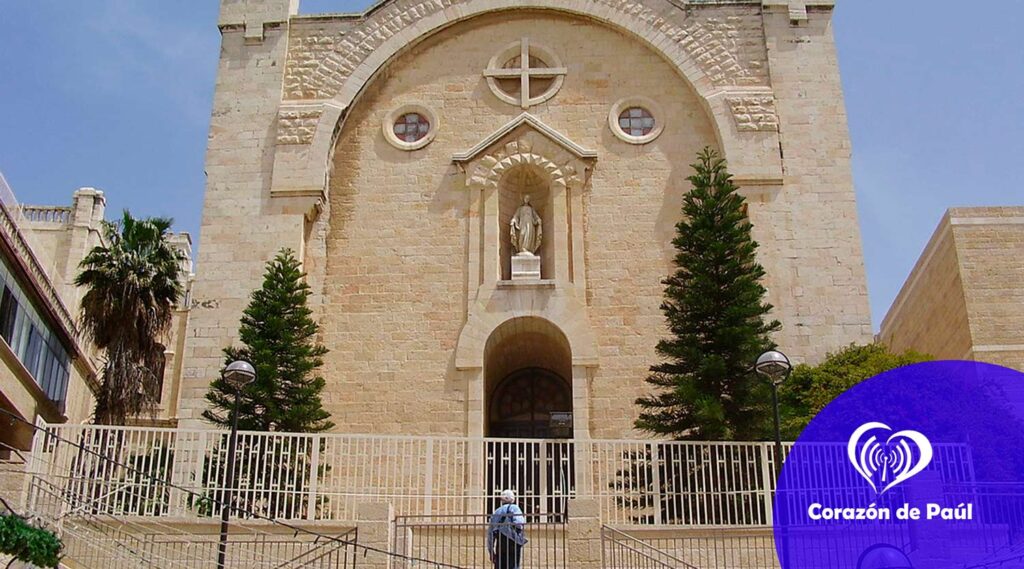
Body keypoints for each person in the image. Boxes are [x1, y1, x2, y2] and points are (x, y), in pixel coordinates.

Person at [487, 489, 527, 569]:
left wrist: (491, 552)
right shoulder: (515, 508)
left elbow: (490, 534)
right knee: (513, 565)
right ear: (512, 499)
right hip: (513, 541)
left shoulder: (496, 512)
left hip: (500, 542)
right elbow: (519, 523)